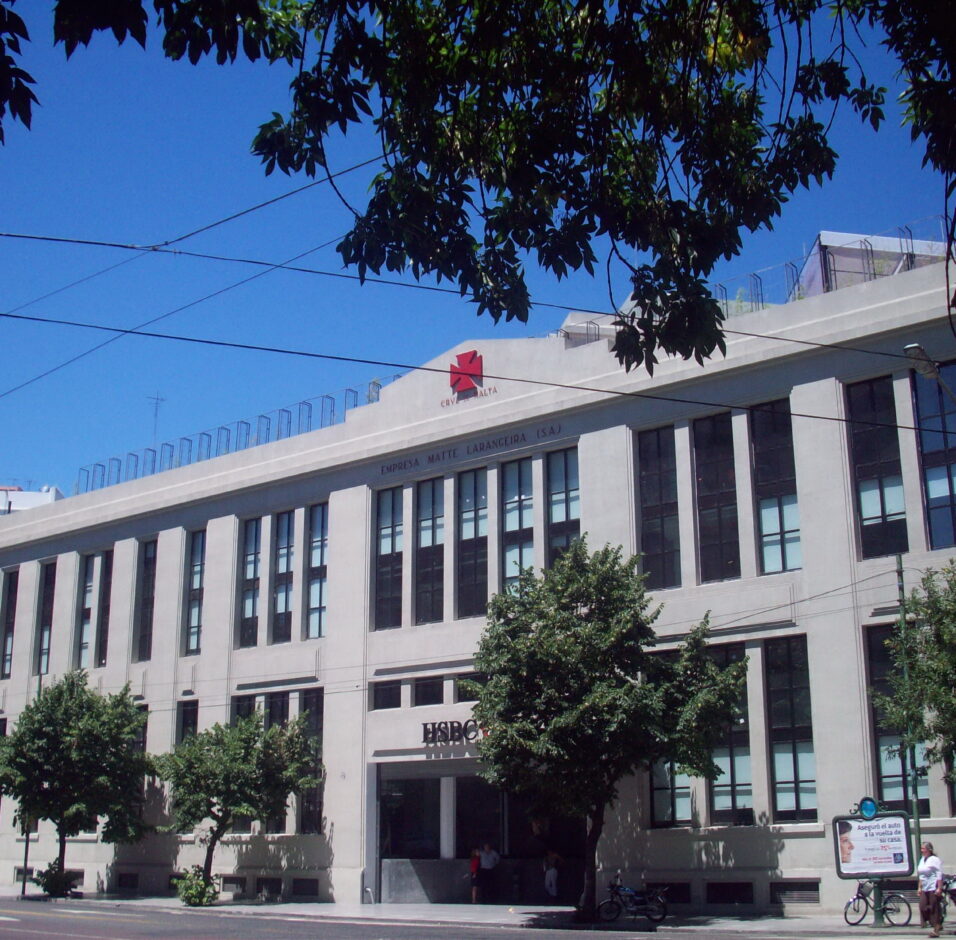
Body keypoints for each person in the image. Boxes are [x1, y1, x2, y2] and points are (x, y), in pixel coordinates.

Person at [917, 841, 943, 937]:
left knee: (934, 908)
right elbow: (921, 875)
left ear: (929, 850)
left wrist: (939, 888)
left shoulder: (934, 859)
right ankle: (936, 924)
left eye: (923, 848)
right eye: (921, 848)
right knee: (922, 906)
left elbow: (939, 874)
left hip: (933, 886)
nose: (922, 850)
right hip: (924, 887)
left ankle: (936, 929)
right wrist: (919, 887)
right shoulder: (922, 859)